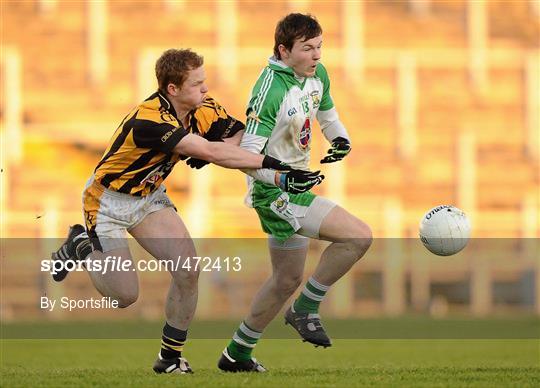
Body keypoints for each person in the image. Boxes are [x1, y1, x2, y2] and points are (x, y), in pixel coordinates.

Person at [50, 48, 324, 374]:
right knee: (124, 296)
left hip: (149, 197)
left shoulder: (202, 107)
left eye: (204, 81)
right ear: (173, 89)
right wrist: (277, 171)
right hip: (108, 202)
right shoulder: (149, 120)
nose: (206, 89)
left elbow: (239, 136)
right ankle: (81, 244)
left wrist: (218, 149)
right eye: (197, 84)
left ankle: (169, 358)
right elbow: (210, 149)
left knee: (188, 270)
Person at [214, 14, 373, 372]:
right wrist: (283, 180)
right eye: (308, 48)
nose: (317, 55)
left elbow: (328, 115)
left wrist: (340, 139)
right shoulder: (270, 90)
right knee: (358, 237)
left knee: (285, 279)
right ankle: (305, 308)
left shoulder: (318, 74)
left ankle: (236, 354)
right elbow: (246, 158)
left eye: (319, 46)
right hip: (274, 193)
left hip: (294, 184)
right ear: (284, 50)